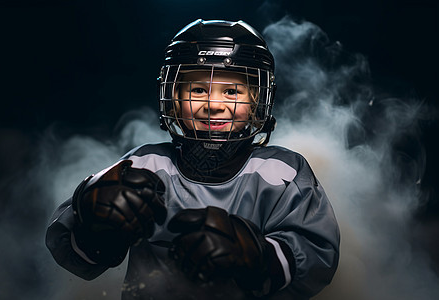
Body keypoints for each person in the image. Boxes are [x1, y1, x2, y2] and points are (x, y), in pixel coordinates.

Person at [46, 19, 340, 300]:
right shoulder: (143, 164)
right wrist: (94, 222)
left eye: (232, 91)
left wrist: (256, 256)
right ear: (174, 98)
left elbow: (317, 257)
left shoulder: (283, 173)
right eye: (198, 90)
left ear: (257, 101)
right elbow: (73, 254)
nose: (214, 105)